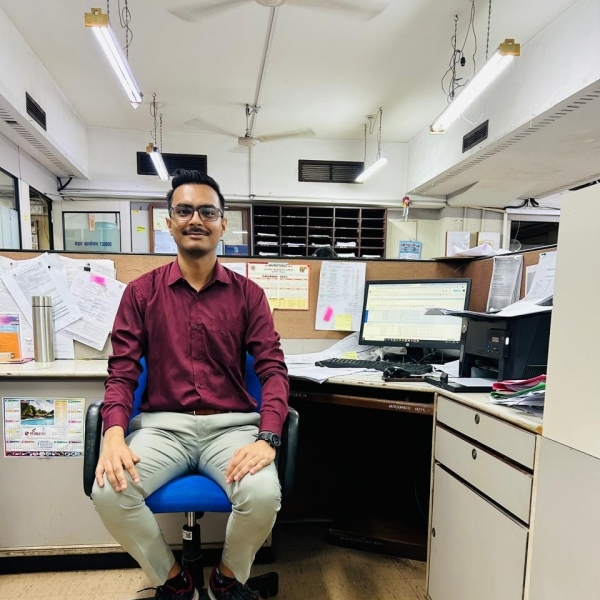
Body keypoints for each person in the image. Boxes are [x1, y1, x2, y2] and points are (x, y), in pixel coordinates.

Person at [92, 169, 289, 600]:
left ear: (223, 224)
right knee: (108, 492)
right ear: (169, 222)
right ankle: (174, 580)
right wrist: (113, 433)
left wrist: (268, 436)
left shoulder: (248, 295)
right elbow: (123, 371)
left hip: (230, 428)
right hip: (164, 427)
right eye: (184, 210)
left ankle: (226, 578)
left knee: (261, 495)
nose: (196, 219)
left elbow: (273, 370)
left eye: (207, 212)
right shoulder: (141, 293)